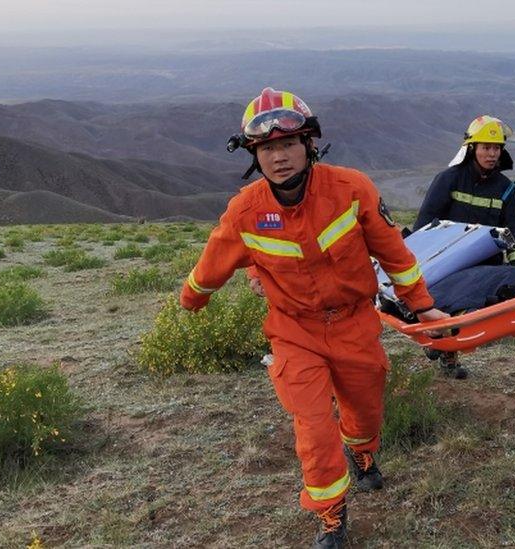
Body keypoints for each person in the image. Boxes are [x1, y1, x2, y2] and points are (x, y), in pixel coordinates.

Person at [179, 87, 447, 548]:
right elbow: (212, 264)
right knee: (314, 426)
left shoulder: (351, 189)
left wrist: (422, 305)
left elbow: (394, 254)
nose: (278, 157)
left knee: (365, 412)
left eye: (286, 145)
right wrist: (191, 302)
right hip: (293, 332)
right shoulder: (245, 210)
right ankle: (331, 515)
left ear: (308, 145)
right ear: (254, 156)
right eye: (266, 149)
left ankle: (361, 455)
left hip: (355, 324)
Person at [412, 115, 515, 379]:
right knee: (447, 307)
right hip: (447, 261)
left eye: (496, 148)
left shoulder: (505, 188)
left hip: (484, 264)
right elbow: (424, 223)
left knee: (467, 311)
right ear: (472, 148)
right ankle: (446, 354)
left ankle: (444, 348)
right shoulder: (449, 179)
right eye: (486, 147)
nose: (491, 154)